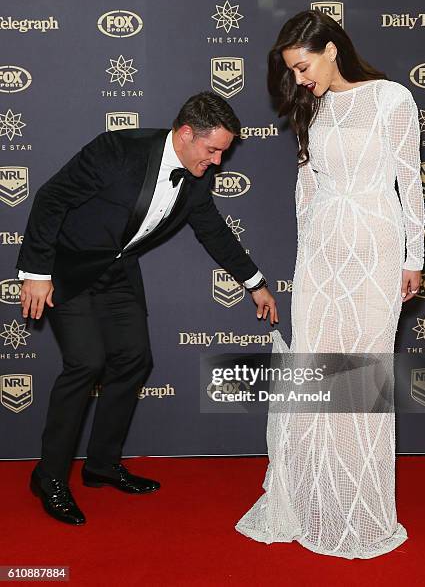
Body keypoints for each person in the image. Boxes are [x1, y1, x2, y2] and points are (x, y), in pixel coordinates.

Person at [18, 91, 278, 526]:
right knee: (85, 362)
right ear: (185, 134)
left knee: (135, 359)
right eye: (212, 150)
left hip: (118, 274)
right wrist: (36, 272)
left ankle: (100, 465)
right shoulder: (117, 150)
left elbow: (214, 231)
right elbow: (51, 198)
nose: (217, 162)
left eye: (223, 153)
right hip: (72, 269)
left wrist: (255, 284)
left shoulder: (195, 178)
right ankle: (49, 477)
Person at [235, 10, 425, 559]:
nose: (298, 79)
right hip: (322, 256)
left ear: (330, 50)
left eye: (302, 66)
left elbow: (410, 182)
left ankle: (359, 507)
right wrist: (307, 263)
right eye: (292, 71)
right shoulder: (312, 108)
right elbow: (307, 192)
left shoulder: (392, 99)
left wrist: (413, 258)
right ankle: (315, 495)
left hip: (375, 249)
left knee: (363, 376)